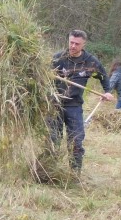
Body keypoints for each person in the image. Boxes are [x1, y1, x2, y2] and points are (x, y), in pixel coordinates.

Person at [49, 30, 114, 170]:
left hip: (74, 105)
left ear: (83, 44)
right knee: (53, 139)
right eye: (71, 42)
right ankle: (49, 171)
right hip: (55, 104)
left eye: (77, 44)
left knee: (76, 141)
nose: (73, 46)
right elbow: (44, 76)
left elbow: (103, 76)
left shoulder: (90, 61)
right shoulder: (58, 58)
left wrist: (107, 92)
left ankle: (74, 173)